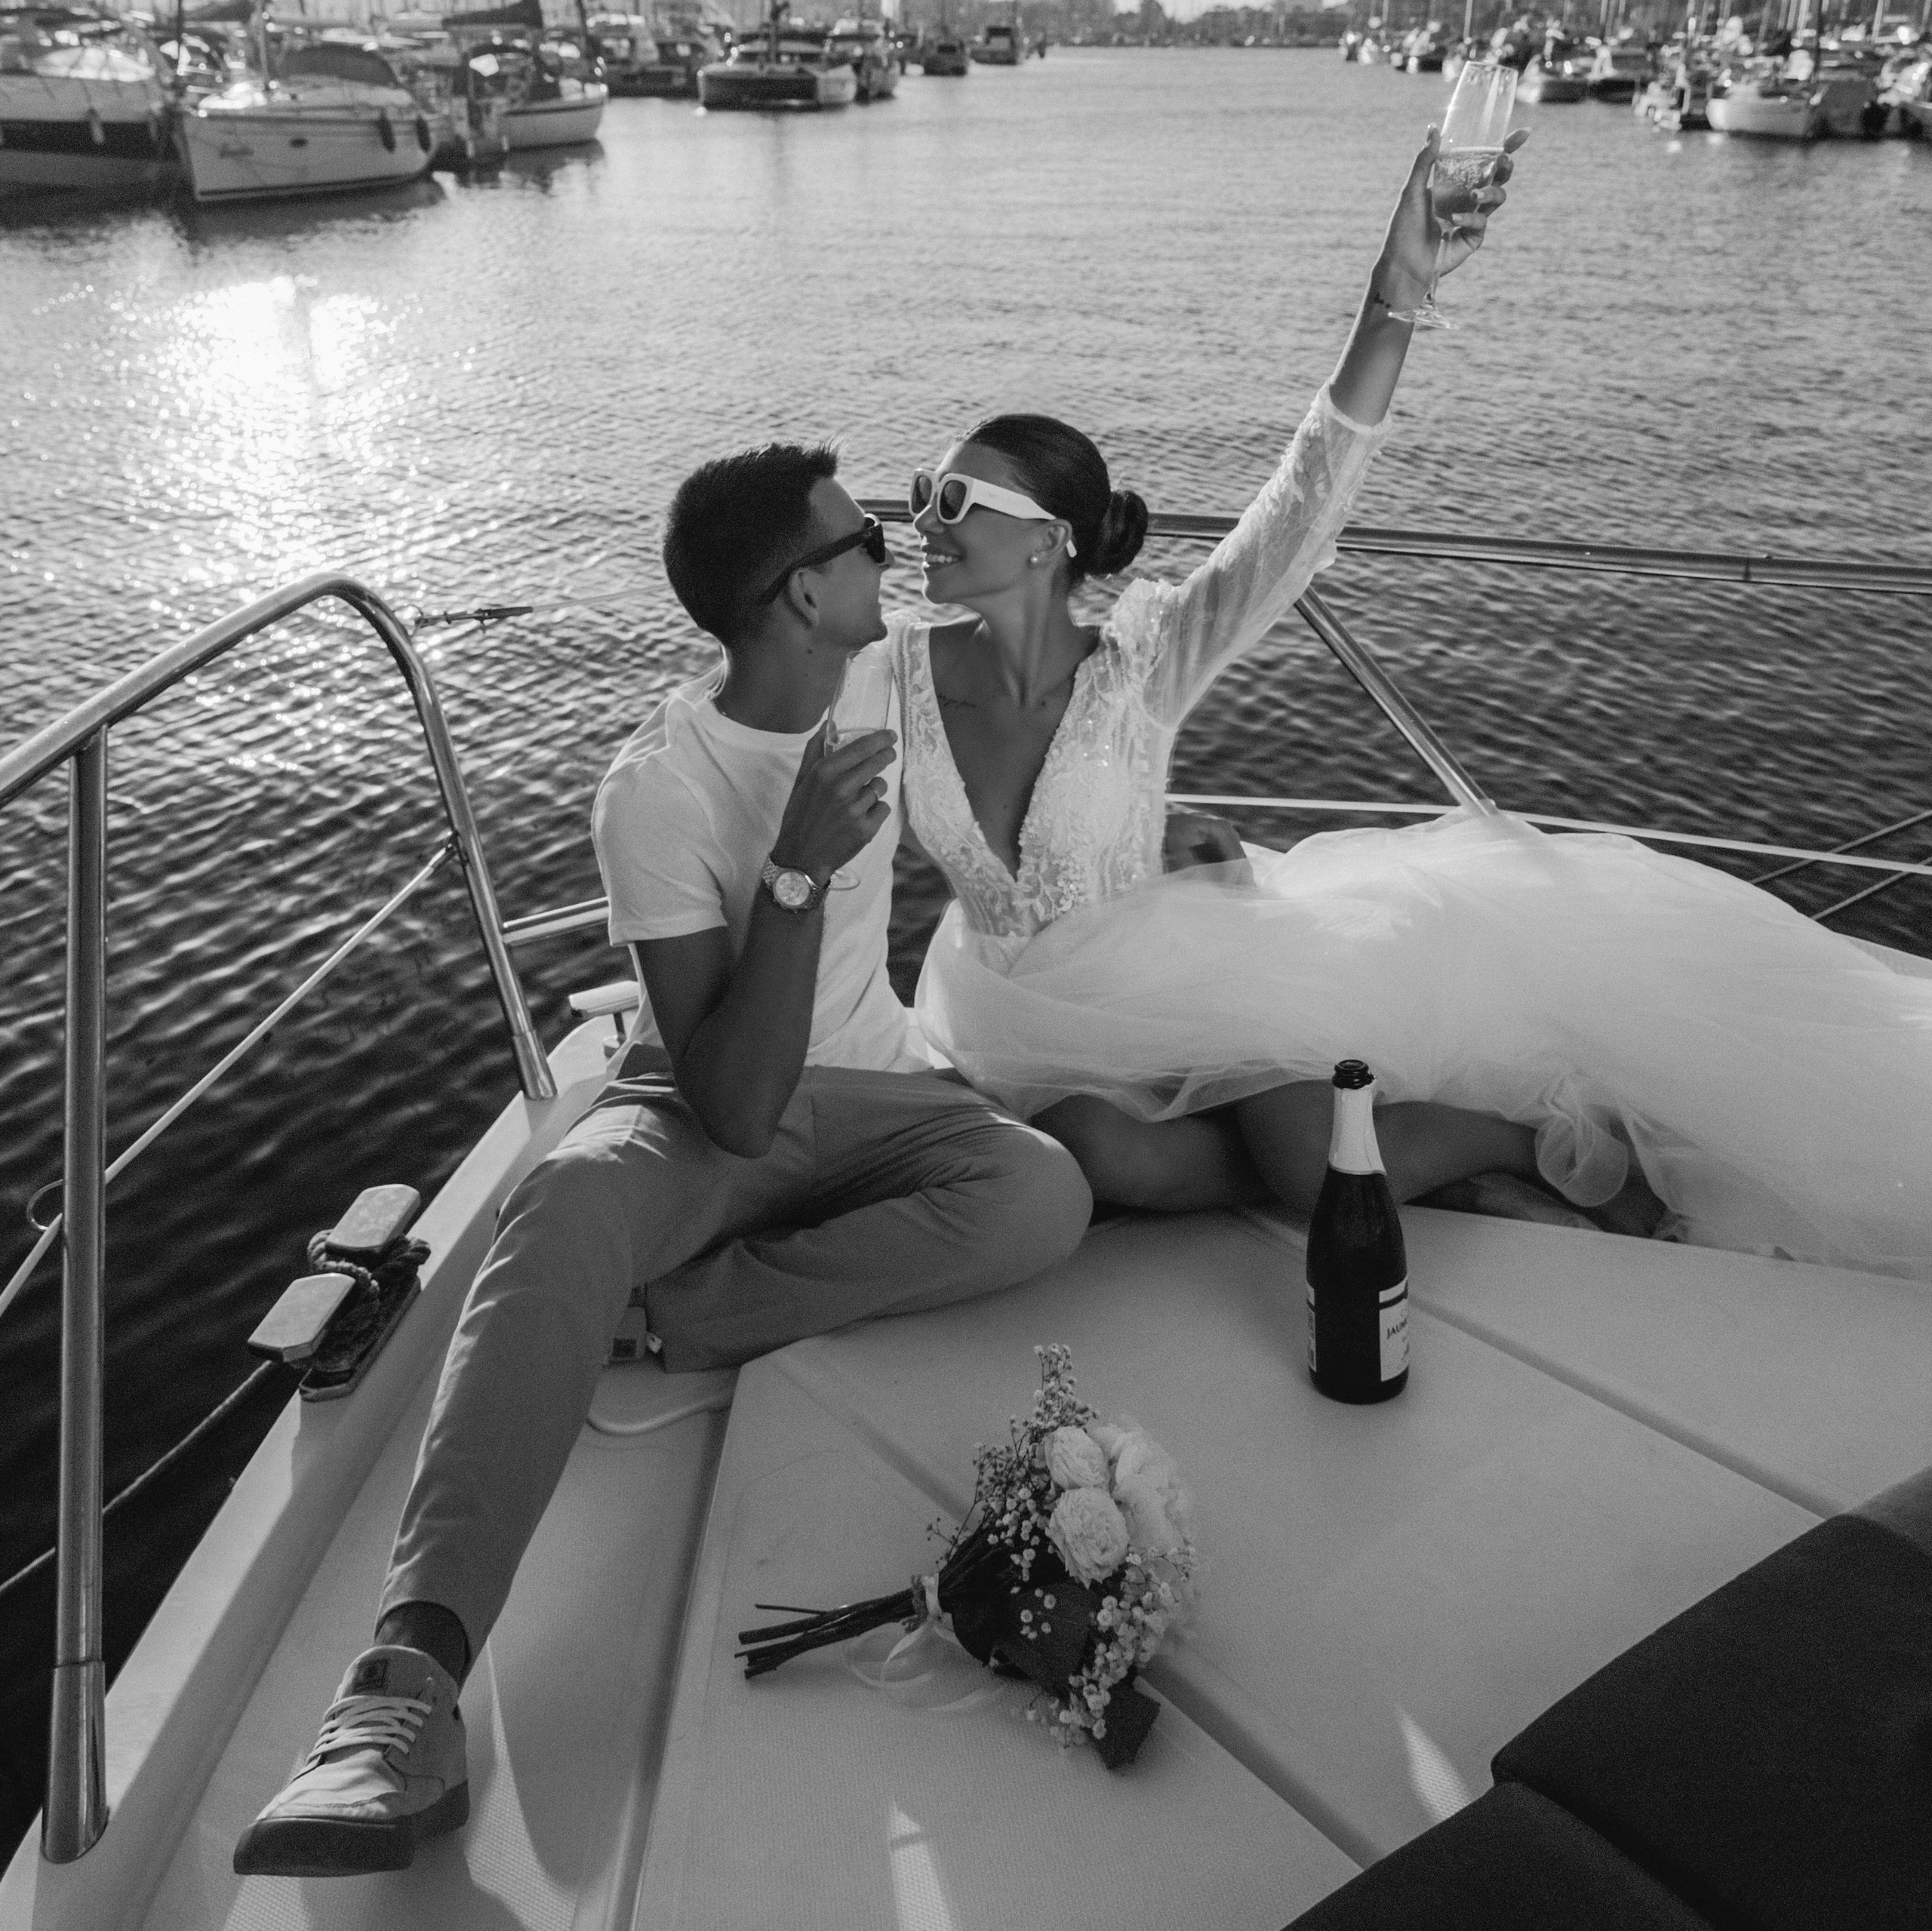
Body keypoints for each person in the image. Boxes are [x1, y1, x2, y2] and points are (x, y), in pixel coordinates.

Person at [232, 443, 1091, 1879]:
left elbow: (1045, 609)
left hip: (881, 1095)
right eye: (863, 539)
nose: (891, 553)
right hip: (708, 1102)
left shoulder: (878, 667)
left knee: (1043, 1192)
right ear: (799, 596)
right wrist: (801, 870)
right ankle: (401, 1694)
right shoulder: (660, 792)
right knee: (566, 1194)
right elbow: (735, 1105)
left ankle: (657, 1317)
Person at [884, 132, 1932, 1283]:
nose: (923, 516)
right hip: (1015, 1016)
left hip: (1188, 980)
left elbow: (1303, 504)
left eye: (953, 497)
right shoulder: (893, 673)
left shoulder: (1145, 657)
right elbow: (767, 737)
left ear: (1048, 542)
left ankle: (1532, 1143)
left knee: (1298, 1164)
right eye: (925, 495)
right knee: (1100, 1153)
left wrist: (1393, 300)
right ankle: (1432, 1172)